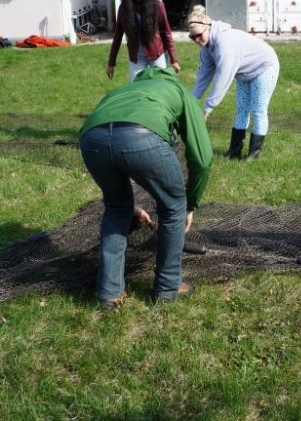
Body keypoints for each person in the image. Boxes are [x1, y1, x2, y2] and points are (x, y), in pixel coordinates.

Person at [79, 66, 212, 308]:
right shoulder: (180, 91)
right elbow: (202, 159)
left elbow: (112, 141)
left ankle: (109, 295)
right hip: (141, 136)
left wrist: (124, 203)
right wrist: (189, 205)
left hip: (90, 139)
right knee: (173, 207)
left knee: (117, 209)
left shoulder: (122, 91)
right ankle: (167, 288)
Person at [187, 5, 280, 160]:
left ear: (208, 28)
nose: (196, 40)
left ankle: (254, 154)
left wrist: (207, 109)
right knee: (242, 109)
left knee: (258, 110)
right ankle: (234, 152)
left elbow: (223, 78)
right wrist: (191, 101)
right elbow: (203, 76)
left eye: (198, 35)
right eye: (192, 37)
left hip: (264, 67)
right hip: (244, 73)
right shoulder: (207, 48)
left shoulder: (225, 46)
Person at [107, 0, 181, 82]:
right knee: (137, 89)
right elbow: (117, 37)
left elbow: (166, 32)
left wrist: (173, 60)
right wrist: (111, 63)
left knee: (160, 86)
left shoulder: (157, 6)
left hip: (157, 55)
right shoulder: (123, 9)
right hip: (136, 57)